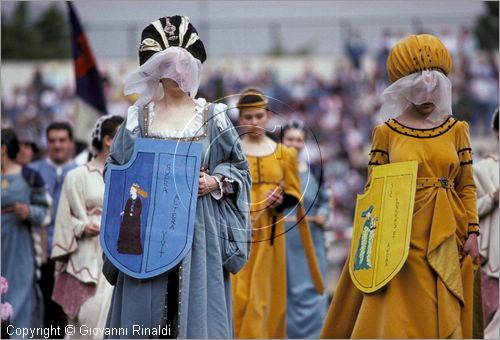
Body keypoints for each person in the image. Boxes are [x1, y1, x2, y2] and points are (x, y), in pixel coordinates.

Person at [321, 34, 481, 338]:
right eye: (419, 88)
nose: (428, 95)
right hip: (398, 239)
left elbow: (467, 186)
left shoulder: (458, 130)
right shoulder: (386, 133)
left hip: (448, 234)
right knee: (398, 317)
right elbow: (372, 191)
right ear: (404, 88)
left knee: (440, 313)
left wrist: (472, 231)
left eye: (434, 88)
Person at [102, 15, 251, 338]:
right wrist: (141, 184)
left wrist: (214, 182)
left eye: (181, 64)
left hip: (199, 233)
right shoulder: (138, 117)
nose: (175, 72)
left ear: (193, 67)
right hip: (146, 231)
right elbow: (112, 172)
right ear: (154, 69)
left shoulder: (214, 116)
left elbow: (239, 169)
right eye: (166, 64)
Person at [231, 88, 323, 338]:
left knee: (264, 298)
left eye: (259, 116)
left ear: (268, 117)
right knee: (237, 297)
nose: (254, 122)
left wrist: (280, 200)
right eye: (248, 117)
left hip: (271, 238)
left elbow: (294, 193)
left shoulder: (283, 154)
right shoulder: (231, 151)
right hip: (237, 236)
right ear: (240, 118)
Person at [51, 116, 123, 339]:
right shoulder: (77, 176)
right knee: (87, 322)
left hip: (120, 258)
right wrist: (82, 226)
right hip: (87, 259)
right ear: (108, 140)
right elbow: (64, 220)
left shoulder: (130, 175)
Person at [282, 120, 330, 338]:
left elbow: (326, 201)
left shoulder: (316, 170)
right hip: (282, 240)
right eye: (290, 139)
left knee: (314, 288)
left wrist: (324, 215)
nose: (295, 144)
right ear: (281, 141)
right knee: (283, 290)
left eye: (299, 140)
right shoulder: (272, 169)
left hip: (311, 240)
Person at [29, 121, 77, 336]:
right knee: (44, 312)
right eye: (52, 141)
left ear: (71, 143)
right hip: (41, 254)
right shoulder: (32, 173)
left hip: (72, 253)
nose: (57, 146)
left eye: (62, 140)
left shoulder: (80, 172)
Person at [1, 129, 51, 331]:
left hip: (18, 244)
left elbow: (46, 211)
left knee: (18, 293)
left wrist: (29, 211)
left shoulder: (29, 176)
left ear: (3, 148)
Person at [474, 108, 499, 339]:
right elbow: (467, 211)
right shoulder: (481, 170)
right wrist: (492, 198)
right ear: (495, 132)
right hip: (493, 262)